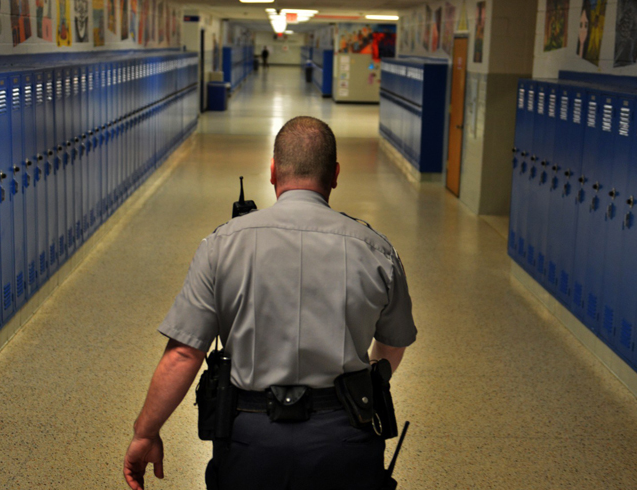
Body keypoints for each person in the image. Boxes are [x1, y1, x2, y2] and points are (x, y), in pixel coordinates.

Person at [123, 116, 417, 490]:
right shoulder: (377, 250)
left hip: (250, 439)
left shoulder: (221, 246)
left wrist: (145, 432)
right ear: (335, 174)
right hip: (343, 437)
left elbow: (184, 353)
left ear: (274, 171)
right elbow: (393, 343)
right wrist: (367, 376)